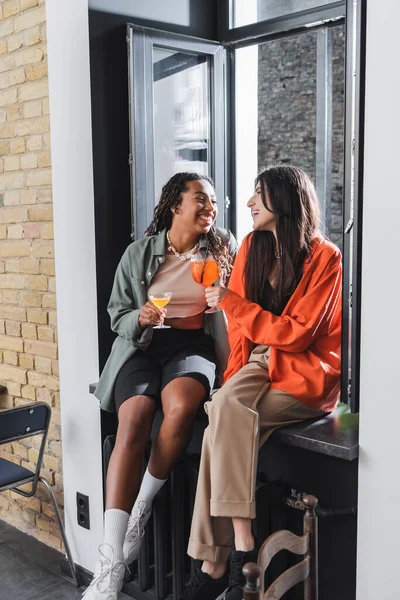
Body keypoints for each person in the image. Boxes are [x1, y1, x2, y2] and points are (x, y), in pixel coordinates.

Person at [181, 165, 342, 600]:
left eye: (258, 194)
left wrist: (232, 302)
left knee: (223, 418)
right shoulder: (252, 245)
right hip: (261, 361)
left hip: (306, 373)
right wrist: (231, 380)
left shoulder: (326, 256)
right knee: (226, 405)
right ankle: (240, 549)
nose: (249, 202)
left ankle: (214, 560)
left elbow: (299, 333)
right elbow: (242, 333)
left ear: (284, 202)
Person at [84, 172, 237, 600]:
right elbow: (117, 315)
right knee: (133, 417)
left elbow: (240, 305)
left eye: (213, 202)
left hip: (193, 343)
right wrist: (141, 317)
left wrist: (220, 296)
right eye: (201, 200)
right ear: (175, 205)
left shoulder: (223, 248)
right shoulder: (140, 253)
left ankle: (140, 510)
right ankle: (112, 561)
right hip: (145, 344)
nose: (210, 208)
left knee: (181, 407)